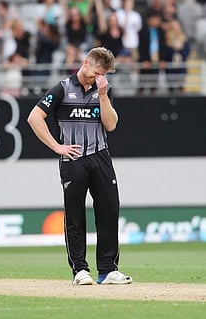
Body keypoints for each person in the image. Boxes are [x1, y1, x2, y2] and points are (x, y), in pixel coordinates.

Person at [27, 47, 133, 285]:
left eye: (103, 73)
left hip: (100, 155)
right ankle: (80, 270)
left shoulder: (103, 90)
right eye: (96, 72)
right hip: (73, 158)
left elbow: (111, 125)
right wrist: (57, 146)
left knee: (109, 210)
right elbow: (34, 117)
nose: (98, 77)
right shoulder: (63, 88)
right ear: (86, 63)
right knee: (75, 214)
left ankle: (107, 270)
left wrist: (103, 96)